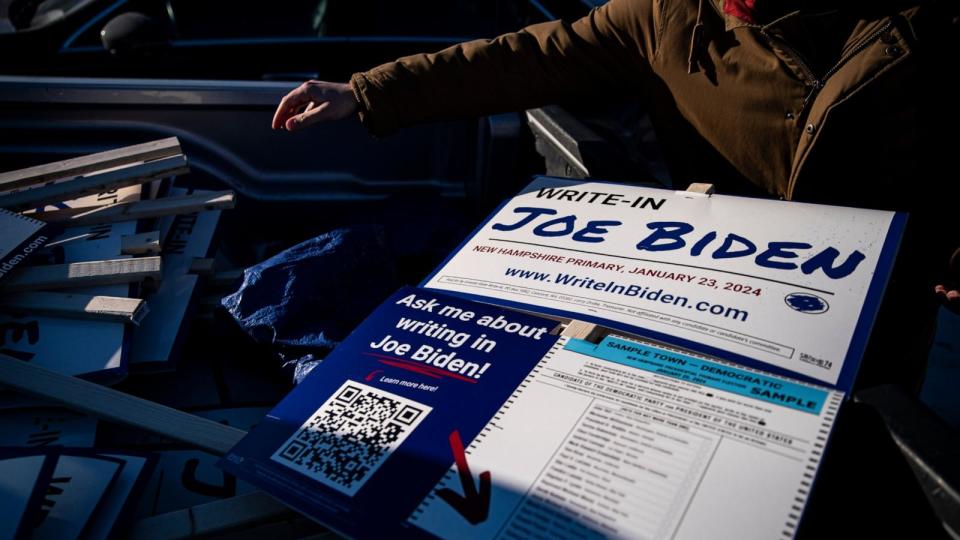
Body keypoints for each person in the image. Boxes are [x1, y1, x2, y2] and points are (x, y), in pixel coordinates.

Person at [271, 0, 958, 391]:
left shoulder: (926, 25)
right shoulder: (667, 17)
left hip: (880, 322)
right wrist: (365, 91)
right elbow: (528, 56)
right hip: (724, 306)